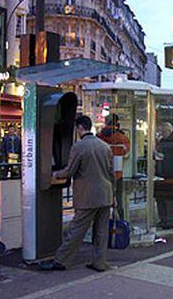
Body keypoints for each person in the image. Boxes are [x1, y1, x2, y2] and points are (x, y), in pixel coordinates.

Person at [40, 116, 114, 272]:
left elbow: (70, 171)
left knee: (76, 230)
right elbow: (110, 173)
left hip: (88, 196)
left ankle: (60, 261)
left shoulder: (79, 147)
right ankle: (99, 263)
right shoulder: (105, 146)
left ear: (80, 128)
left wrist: (54, 174)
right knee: (101, 232)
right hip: (105, 194)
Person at [98, 114, 130, 219]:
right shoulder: (122, 137)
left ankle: (103, 224)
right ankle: (120, 222)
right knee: (118, 201)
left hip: (101, 173)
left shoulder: (99, 136)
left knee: (103, 201)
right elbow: (126, 153)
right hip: (117, 173)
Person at [154, 122, 173, 229]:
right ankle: (163, 219)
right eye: (162, 132)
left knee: (169, 200)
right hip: (161, 174)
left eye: (164, 131)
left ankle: (169, 220)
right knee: (161, 199)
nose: (163, 133)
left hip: (171, 175)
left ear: (170, 131)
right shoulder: (162, 141)